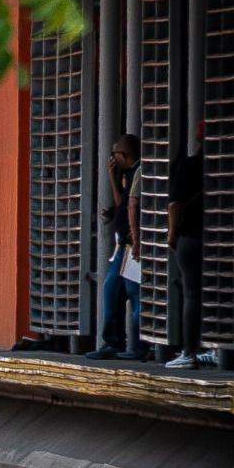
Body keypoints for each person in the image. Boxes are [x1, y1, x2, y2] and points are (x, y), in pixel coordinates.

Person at [88, 134, 144, 360]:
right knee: (111, 289)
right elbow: (122, 203)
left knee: (136, 294)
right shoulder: (127, 175)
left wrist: (138, 239)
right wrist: (112, 176)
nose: (112, 158)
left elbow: (133, 205)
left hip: (133, 246)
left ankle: (139, 347)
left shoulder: (140, 172)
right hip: (122, 247)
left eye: (115, 154)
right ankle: (114, 342)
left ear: (125, 154)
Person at [167, 124, 205, 369]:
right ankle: (216, 347)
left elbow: (174, 205)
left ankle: (189, 352)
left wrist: (172, 234)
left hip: (190, 236)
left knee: (192, 293)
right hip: (221, 239)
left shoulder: (190, 165)